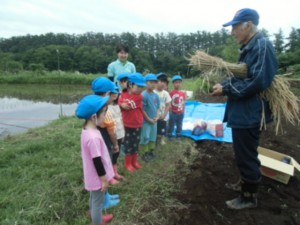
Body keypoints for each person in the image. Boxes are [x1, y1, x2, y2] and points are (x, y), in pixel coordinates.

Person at [211, 8, 278, 210]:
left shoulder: (262, 45)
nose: (232, 32)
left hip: (251, 112)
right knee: (242, 153)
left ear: (248, 24)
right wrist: (223, 84)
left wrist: (226, 89)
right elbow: (241, 76)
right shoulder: (248, 47)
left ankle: (249, 196)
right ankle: (244, 184)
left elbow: (258, 81)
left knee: (246, 155)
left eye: (235, 27)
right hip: (242, 110)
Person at [76, 94, 114, 225]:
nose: (105, 116)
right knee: (98, 202)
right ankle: (97, 221)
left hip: (92, 175)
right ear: (94, 117)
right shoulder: (93, 137)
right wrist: (103, 180)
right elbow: (97, 161)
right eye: (104, 113)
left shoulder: (87, 129)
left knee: (94, 198)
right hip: (98, 177)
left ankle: (93, 214)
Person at [91, 77, 120, 185]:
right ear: (107, 93)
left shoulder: (92, 104)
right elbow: (111, 132)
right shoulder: (104, 109)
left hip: (94, 137)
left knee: (97, 159)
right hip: (104, 138)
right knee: (106, 158)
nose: (113, 98)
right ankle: (108, 178)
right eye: (112, 95)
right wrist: (115, 145)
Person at [118, 73, 146, 172]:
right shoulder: (122, 94)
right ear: (130, 85)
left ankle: (134, 161)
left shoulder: (139, 97)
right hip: (126, 124)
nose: (140, 89)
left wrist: (122, 104)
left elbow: (129, 105)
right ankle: (128, 163)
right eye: (138, 86)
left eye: (142, 87)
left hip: (137, 124)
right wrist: (121, 104)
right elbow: (120, 103)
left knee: (136, 143)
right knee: (128, 144)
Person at [140, 74, 160, 161]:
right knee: (145, 137)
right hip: (146, 122)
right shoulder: (143, 95)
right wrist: (148, 119)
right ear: (145, 83)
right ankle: (145, 153)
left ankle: (151, 151)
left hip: (154, 121)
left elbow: (158, 107)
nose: (153, 84)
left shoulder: (156, 96)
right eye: (150, 82)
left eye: (154, 82)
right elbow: (142, 109)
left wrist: (157, 116)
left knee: (152, 136)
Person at [108, 89, 125, 180]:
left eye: (116, 92)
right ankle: (109, 175)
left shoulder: (118, 106)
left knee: (116, 155)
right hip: (111, 135)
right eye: (113, 92)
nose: (115, 94)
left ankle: (115, 172)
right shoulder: (106, 107)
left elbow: (121, 120)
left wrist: (123, 134)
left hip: (119, 134)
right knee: (110, 155)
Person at [167, 75, 186, 140]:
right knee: (171, 124)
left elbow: (183, 102)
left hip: (181, 112)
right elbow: (169, 102)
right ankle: (169, 134)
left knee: (179, 125)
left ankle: (178, 135)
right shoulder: (171, 93)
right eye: (176, 82)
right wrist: (170, 111)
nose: (178, 84)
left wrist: (183, 110)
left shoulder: (183, 93)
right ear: (173, 83)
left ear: (181, 83)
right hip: (173, 113)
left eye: (179, 82)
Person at [154, 73, 171, 146]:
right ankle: (154, 138)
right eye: (160, 81)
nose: (163, 83)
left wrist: (164, 114)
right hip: (154, 115)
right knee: (155, 128)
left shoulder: (166, 93)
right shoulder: (153, 92)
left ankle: (162, 138)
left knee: (163, 127)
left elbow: (168, 104)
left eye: (164, 82)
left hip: (163, 115)